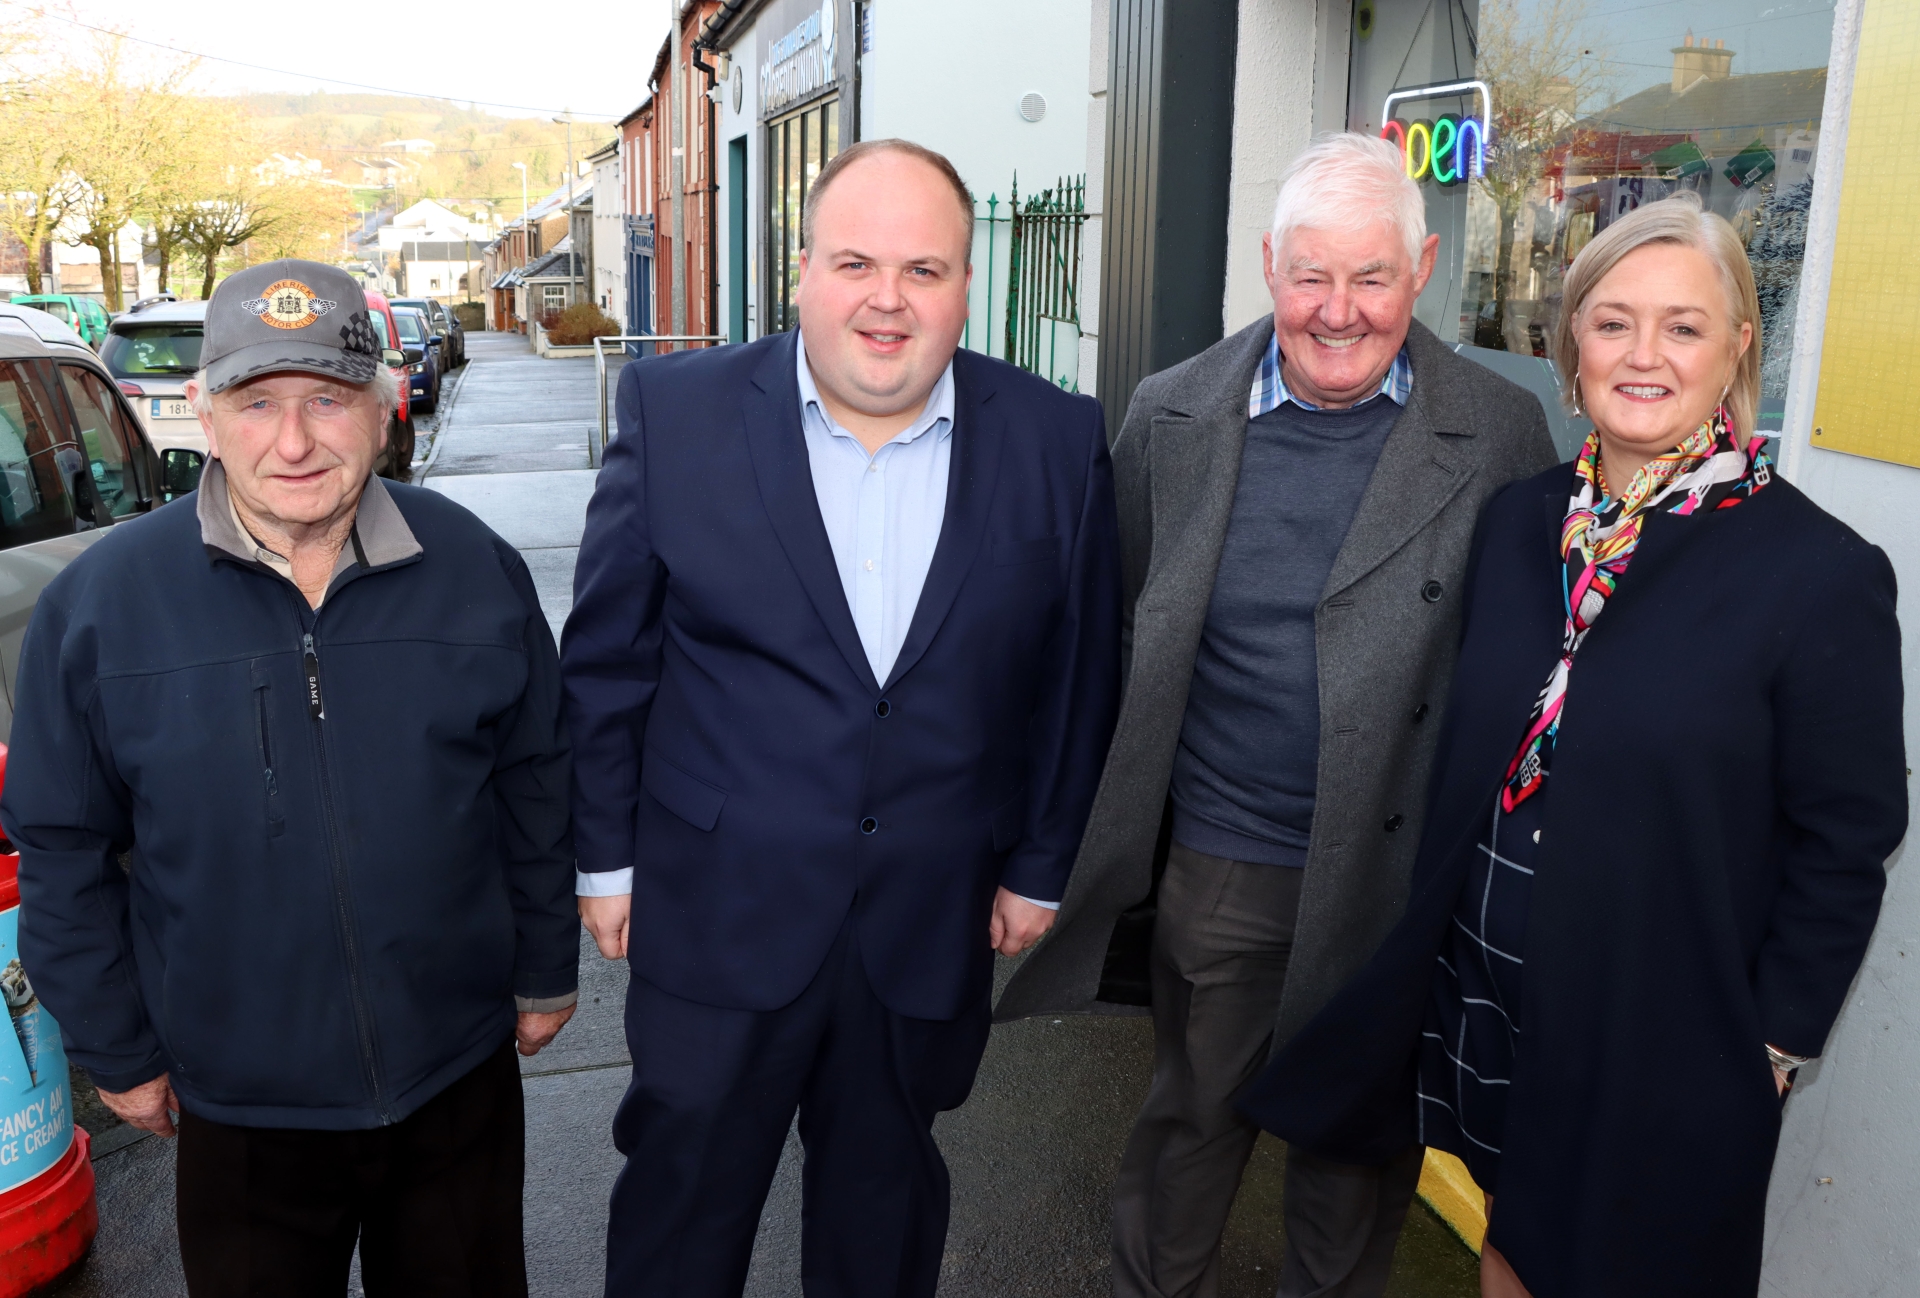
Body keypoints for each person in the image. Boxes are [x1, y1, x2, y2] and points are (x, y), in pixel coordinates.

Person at [1239, 193, 1908, 1298]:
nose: (1644, 355)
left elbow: (1849, 834)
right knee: (1514, 1245)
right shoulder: (1521, 520)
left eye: (1683, 327)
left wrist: (1772, 1048)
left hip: (1660, 1028)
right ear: (1572, 345)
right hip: (1491, 990)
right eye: (1613, 322)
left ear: (1739, 346)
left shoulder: (1819, 572)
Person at [996, 132, 1560, 1298]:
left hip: (1396, 876)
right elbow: (1112, 632)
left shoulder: (1501, 429)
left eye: (1372, 277)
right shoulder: (1172, 413)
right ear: (1269, 265)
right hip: (1226, 860)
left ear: (1423, 270)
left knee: (1355, 1162)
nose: (1338, 310)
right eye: (1312, 275)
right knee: (1190, 1128)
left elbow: (1523, 656)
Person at [562, 138, 1121, 1298]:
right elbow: (610, 657)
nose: (887, 298)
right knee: (681, 1208)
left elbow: (1077, 674)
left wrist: (1042, 863)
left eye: (924, 269)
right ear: (804, 270)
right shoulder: (676, 412)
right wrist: (605, 858)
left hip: (929, 911)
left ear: (966, 284)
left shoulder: (1057, 438)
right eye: (856, 262)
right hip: (715, 904)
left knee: (883, 1211)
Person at [0, 260, 578, 1297]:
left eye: (327, 398)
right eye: (258, 402)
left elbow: (534, 778)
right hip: (238, 1106)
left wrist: (544, 963)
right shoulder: (102, 606)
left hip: (455, 1076)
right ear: (205, 414)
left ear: (384, 404)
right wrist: (117, 1048)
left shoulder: (472, 566)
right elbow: (61, 845)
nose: (295, 441)